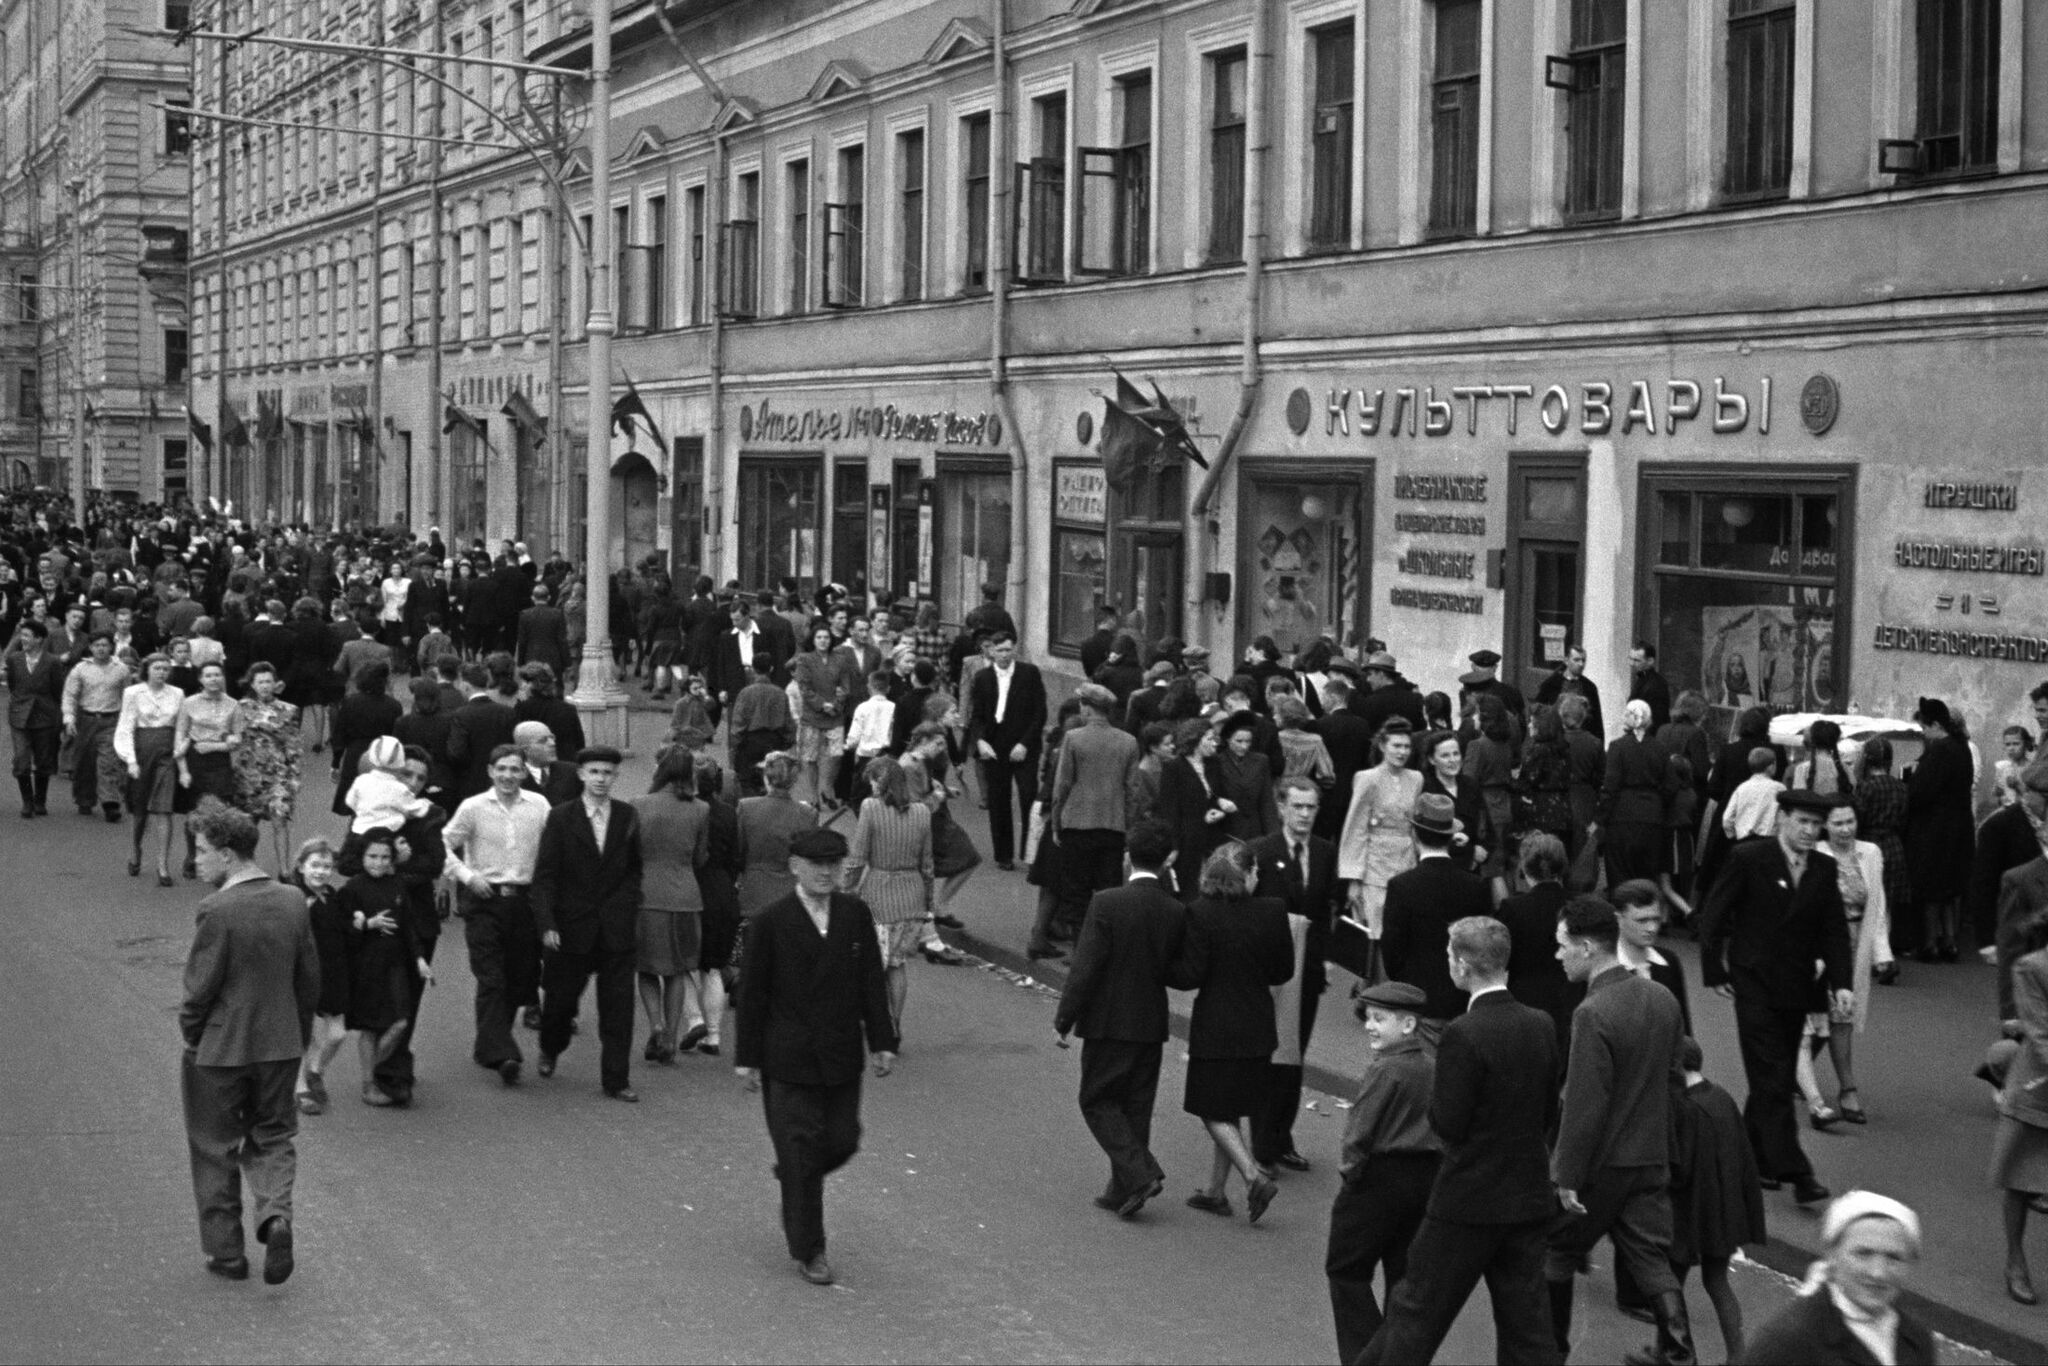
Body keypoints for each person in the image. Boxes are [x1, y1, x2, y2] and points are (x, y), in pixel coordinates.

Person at [1357, 916, 1562, 1366]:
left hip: (1466, 1198)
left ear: (1464, 965)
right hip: (1526, 1195)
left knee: (1416, 1313)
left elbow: (1448, 1123)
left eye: (1450, 955)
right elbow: (1549, 1112)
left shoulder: (1463, 1033)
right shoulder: (1541, 1024)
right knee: (1527, 1325)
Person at [734, 825, 899, 1287]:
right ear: (795, 868)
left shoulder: (854, 914)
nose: (828, 872)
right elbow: (752, 995)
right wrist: (747, 1057)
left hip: (841, 1052)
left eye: (836, 864)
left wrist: (883, 1040)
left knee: (842, 1140)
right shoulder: (769, 922)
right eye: (817, 864)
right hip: (787, 1058)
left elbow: (871, 980)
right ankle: (811, 1250)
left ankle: (794, 1175)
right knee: (802, 1152)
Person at [1545, 894, 1693, 1366]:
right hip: (1651, 1155)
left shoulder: (1592, 1013)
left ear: (1588, 948)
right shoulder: (1661, 997)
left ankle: (1551, 1352)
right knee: (1651, 1261)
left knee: (1556, 1252)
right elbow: (1674, 1081)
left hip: (1603, 1166)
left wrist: (1565, 1176)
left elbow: (1584, 1105)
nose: (1558, 954)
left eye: (1562, 944)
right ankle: (1679, 1354)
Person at [177, 800, 320, 1286]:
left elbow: (200, 990)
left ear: (228, 853)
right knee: (274, 1136)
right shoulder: (293, 900)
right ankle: (276, 1215)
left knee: (214, 1146)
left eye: (202, 851)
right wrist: (297, 1036)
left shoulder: (216, 910)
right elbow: (308, 979)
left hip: (221, 1051)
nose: (196, 861)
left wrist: (193, 1036)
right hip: (279, 1044)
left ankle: (227, 1253)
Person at [1700, 789, 1854, 1208]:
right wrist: (1715, 969)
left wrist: (1842, 984)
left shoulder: (1823, 867)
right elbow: (1713, 913)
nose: (1809, 831)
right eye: (1801, 821)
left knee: (1777, 1075)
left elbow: (1834, 930)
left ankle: (1753, 1158)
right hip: (1753, 982)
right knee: (1771, 1073)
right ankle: (1798, 1171)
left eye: (1815, 824)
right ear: (1782, 818)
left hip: (1798, 987)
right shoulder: (1750, 858)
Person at [1053, 819, 1186, 1219]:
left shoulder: (1107, 903)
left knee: (1096, 1099)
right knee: (1136, 1106)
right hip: (1150, 1020)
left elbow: (1085, 966)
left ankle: (1139, 1174)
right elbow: (1177, 972)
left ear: (1128, 856)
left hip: (1109, 1020)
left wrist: (1064, 1018)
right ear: (1167, 862)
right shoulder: (1175, 909)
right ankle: (1121, 1187)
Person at [1168, 843, 1293, 1224]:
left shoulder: (1199, 913)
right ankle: (1215, 1192)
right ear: (1250, 874)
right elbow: (1282, 972)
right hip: (1257, 1026)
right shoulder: (1273, 912)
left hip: (1216, 1027)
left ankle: (1254, 1175)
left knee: (1210, 1109)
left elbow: (1189, 976)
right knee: (1229, 1108)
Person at [1327, 980, 1442, 1362]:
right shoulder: (1431, 1067)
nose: (1370, 1026)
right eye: (1369, 1018)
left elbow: (1358, 1134)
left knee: (1346, 1269)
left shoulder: (1386, 1070)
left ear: (1408, 1025)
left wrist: (1350, 1177)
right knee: (1401, 1274)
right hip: (1423, 1176)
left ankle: (1367, 1355)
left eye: (1380, 1019)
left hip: (1378, 1177)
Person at [532, 746, 646, 1102]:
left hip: (615, 929)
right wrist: (547, 923)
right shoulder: (561, 817)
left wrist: (627, 905)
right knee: (560, 1005)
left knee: (618, 1007)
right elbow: (546, 875)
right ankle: (551, 1046)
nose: (601, 779)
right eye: (594, 772)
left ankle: (616, 1079)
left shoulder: (627, 816)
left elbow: (633, 869)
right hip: (570, 928)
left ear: (616, 777)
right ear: (580, 774)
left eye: (608, 773)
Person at [442, 744, 551, 1086]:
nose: (507, 775)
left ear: (524, 772)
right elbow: (441, 843)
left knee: (521, 978)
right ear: (490, 771)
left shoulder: (539, 806)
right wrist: (466, 876)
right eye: (501, 768)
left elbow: (555, 847)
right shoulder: (473, 808)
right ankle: (504, 1054)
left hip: (525, 903)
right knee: (491, 976)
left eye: (514, 769)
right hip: (484, 901)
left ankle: (487, 1043)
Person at [1250, 778, 1343, 1174]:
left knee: (1295, 1055)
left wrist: (1323, 960)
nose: (1305, 814)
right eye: (1298, 807)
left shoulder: (1324, 852)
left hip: (1306, 969)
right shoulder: (1260, 851)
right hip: (1269, 971)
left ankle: (1281, 1137)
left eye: (1311, 808)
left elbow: (1325, 912)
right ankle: (1261, 1145)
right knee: (1270, 1055)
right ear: (1282, 807)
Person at [1738, 1192, 1932, 1364]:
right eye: (1863, 1253)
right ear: (1832, 1255)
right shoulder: (1789, 1341)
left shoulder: (1916, 1338)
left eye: (1894, 1258)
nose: (1878, 1273)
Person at [1672, 1035, 1766, 1363]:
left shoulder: (1686, 1108)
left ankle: (1669, 1351)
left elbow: (1680, 1170)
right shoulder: (1721, 1097)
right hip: (1726, 1209)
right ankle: (1737, 1356)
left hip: (1693, 1213)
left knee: (1668, 1286)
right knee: (1716, 1281)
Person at [1796, 805, 1892, 1128]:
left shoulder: (1870, 852)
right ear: (1826, 826)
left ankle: (1842, 1088)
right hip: (1817, 942)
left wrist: (1882, 951)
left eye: (1850, 821)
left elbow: (1877, 904)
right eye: (1837, 823)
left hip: (1854, 940)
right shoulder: (1814, 851)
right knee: (1814, 1015)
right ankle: (1810, 1076)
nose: (1845, 829)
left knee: (1841, 1016)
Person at [1380, 793, 1495, 1041]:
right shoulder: (1475, 886)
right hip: (1464, 1003)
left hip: (1418, 1001)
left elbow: (1391, 952)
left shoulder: (1402, 886)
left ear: (1414, 834)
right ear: (1450, 836)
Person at [337, 828, 434, 1107]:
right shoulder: (353, 888)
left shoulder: (398, 885)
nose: (378, 863)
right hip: (366, 965)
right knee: (369, 1027)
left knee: (401, 1021)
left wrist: (419, 959)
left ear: (392, 859)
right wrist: (368, 924)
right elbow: (342, 928)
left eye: (384, 857)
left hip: (396, 965)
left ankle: (373, 1069)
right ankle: (369, 1086)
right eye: (372, 856)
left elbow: (409, 925)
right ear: (362, 857)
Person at [1043, 683, 1143, 948]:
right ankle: (1104, 945)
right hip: (1113, 825)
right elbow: (1133, 790)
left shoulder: (1074, 738)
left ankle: (1080, 946)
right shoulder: (1128, 742)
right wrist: (1128, 826)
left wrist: (1056, 820)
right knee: (1108, 889)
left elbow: (1062, 784)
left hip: (1077, 822)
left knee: (1076, 890)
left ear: (1086, 707)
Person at [843, 756, 934, 1038]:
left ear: (880, 782)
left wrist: (846, 890)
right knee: (897, 965)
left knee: (870, 965)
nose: (870, 787)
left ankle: (871, 1020)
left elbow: (857, 858)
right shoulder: (922, 812)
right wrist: (928, 902)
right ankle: (894, 1023)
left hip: (878, 898)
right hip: (912, 899)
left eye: (872, 780)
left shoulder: (870, 808)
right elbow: (928, 864)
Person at [633, 749, 711, 1065]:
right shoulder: (701, 809)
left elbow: (631, 851)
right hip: (685, 895)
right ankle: (671, 1035)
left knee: (646, 967)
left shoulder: (639, 805)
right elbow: (701, 857)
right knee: (678, 970)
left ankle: (656, 1024)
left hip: (646, 894)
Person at [1337, 718, 1422, 948]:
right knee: (1374, 932)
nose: (1402, 752)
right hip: (1374, 866)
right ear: (1383, 746)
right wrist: (1353, 878)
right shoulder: (1367, 778)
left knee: (1403, 930)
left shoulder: (1416, 779)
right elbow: (1355, 828)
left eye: (1406, 746)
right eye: (1396, 746)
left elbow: (1416, 826)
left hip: (1406, 862)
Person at [1904, 696, 1977, 963]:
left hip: (1935, 829)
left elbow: (1921, 791)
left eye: (1924, 727)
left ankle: (1930, 944)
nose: (1924, 733)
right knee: (1950, 889)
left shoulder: (1939, 750)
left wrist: (1911, 783)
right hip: (1959, 826)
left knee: (1930, 887)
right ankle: (1950, 941)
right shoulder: (1963, 747)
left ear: (1935, 724)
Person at [967, 631, 1047, 870]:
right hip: (995, 746)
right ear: (990, 651)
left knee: (1028, 796)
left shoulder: (1029, 674)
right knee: (999, 800)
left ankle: (1030, 854)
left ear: (1014, 650)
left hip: (1023, 746)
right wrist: (980, 741)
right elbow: (978, 716)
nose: (1003, 655)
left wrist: (1025, 743)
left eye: (1007, 650)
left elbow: (1039, 712)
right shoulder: (982, 678)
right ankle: (1004, 855)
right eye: (999, 650)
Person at [1497, 833, 1578, 1059]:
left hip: (1525, 1002)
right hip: (1572, 1002)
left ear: (1524, 867)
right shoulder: (1579, 905)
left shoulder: (1512, 908)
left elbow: (1501, 960)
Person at [288, 838, 349, 1116]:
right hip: (302, 973)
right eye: (315, 865)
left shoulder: (332, 895)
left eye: (326, 866)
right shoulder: (293, 897)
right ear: (301, 866)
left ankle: (315, 1071)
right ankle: (300, 1087)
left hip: (333, 971)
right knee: (304, 1034)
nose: (321, 872)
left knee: (337, 1034)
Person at [115, 652, 186, 885]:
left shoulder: (177, 694)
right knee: (139, 810)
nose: (162, 673)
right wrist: (131, 760)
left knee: (164, 809)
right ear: (147, 670)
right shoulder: (133, 693)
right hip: (142, 751)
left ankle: (162, 865)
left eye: (166, 669)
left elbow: (179, 728)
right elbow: (125, 727)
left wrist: (178, 754)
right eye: (157, 668)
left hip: (167, 753)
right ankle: (136, 849)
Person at [1593, 698, 1674, 895]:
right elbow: (1671, 785)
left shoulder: (1617, 747)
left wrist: (1600, 819)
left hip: (1622, 816)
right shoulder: (1661, 748)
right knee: (1647, 877)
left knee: (1621, 876)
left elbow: (1610, 787)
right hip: (1653, 818)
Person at [175, 662, 245, 880]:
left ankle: (218, 857)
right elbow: (180, 736)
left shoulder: (233, 705)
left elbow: (238, 739)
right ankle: (192, 855)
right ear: (200, 679)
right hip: (195, 758)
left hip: (221, 761)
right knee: (194, 811)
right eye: (208, 675)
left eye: (217, 675)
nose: (213, 679)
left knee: (220, 811)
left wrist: (216, 746)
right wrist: (183, 770)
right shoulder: (189, 703)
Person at [737, 750, 820, 924]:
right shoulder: (807, 814)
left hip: (753, 893)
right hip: (791, 896)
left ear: (766, 778)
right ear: (794, 781)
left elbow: (738, 852)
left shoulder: (747, 807)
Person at [232, 663, 302, 869]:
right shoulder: (240, 707)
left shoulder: (289, 710)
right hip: (248, 773)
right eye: (260, 682)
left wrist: (295, 777)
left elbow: (294, 745)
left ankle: (284, 870)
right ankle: (246, 867)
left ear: (275, 684)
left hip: (278, 772)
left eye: (268, 681)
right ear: (252, 684)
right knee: (247, 825)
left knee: (279, 820)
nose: (264, 686)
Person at [61, 630, 132, 820]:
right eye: (97, 645)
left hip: (111, 720)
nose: (101, 649)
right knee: (85, 761)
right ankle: (85, 799)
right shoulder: (80, 669)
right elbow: (70, 695)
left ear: (111, 647)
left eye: (105, 645)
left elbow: (128, 697)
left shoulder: (121, 669)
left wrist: (127, 723)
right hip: (86, 719)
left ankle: (110, 803)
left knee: (108, 762)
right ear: (91, 648)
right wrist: (69, 717)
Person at [1159, 717, 1229, 900]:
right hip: (1187, 840)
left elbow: (1216, 796)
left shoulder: (1214, 764)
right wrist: (1173, 846)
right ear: (1195, 740)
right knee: (1189, 891)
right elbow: (1169, 810)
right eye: (1209, 738)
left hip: (1213, 838)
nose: (1214, 742)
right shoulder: (1173, 768)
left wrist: (1219, 809)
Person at [1613, 877, 1692, 1033]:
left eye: (1655, 919)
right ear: (1618, 919)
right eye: (1642, 920)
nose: (1652, 928)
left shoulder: (1669, 962)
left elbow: (1681, 1026)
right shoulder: (1601, 966)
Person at [5, 619, 64, 816]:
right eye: (22, 636)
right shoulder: (14, 659)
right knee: (21, 760)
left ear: (39, 639)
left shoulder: (53, 661)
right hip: (19, 716)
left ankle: (40, 800)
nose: (23, 639)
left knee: (43, 760)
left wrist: (57, 713)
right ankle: (27, 802)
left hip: (45, 716)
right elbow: (13, 686)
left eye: (27, 636)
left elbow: (58, 690)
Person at [446, 660, 519, 800]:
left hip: (472, 782)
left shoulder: (462, 714)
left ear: (466, 686)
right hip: (505, 780)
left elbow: (456, 753)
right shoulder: (508, 712)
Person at [1534, 644, 1606, 741]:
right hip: (1556, 739)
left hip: (1581, 739)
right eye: (1576, 660)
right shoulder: (1551, 684)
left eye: (1583, 660)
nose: (1581, 664)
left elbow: (1597, 722)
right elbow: (1539, 711)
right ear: (1566, 661)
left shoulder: (1590, 687)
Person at [1627, 640, 1672, 733]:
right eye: (1630, 659)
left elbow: (1657, 719)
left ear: (1650, 661)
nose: (1631, 664)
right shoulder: (1642, 679)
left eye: (1636, 660)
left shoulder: (1656, 684)